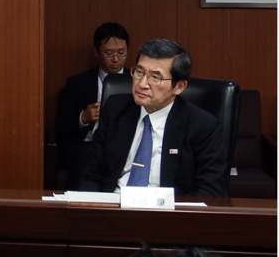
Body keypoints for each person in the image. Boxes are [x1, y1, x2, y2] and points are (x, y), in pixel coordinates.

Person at [79, 38, 228, 197]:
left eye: (155, 77)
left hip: (168, 209)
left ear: (179, 87)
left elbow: (210, 191)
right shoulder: (115, 109)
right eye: (139, 72)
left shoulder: (203, 126)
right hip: (114, 204)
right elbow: (91, 173)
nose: (142, 84)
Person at [56, 22, 132, 189]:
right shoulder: (77, 83)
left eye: (121, 53)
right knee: (87, 159)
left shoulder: (138, 82)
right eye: (109, 53)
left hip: (127, 144)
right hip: (88, 145)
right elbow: (61, 125)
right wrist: (83, 117)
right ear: (96, 51)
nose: (116, 59)